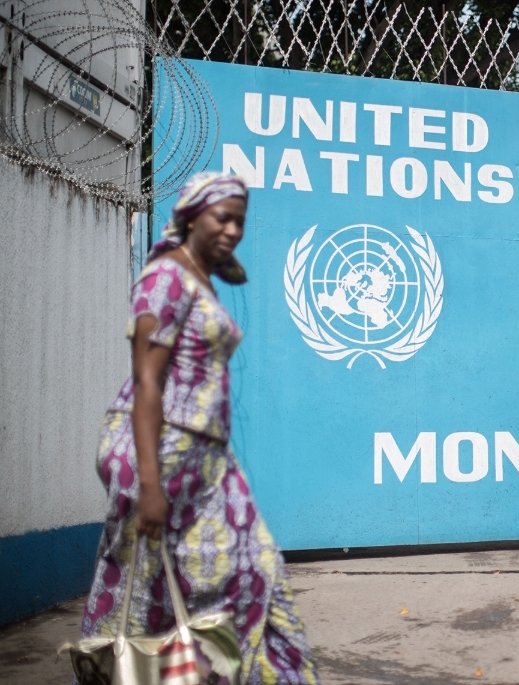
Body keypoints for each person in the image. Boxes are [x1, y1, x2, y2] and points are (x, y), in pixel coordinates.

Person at [78, 172, 321, 684]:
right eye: (223, 218)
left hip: (206, 458)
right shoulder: (164, 277)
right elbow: (147, 381)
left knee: (252, 569)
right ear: (192, 216)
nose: (233, 230)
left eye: (240, 222)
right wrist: (149, 484)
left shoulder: (199, 278)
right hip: (160, 448)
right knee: (143, 591)